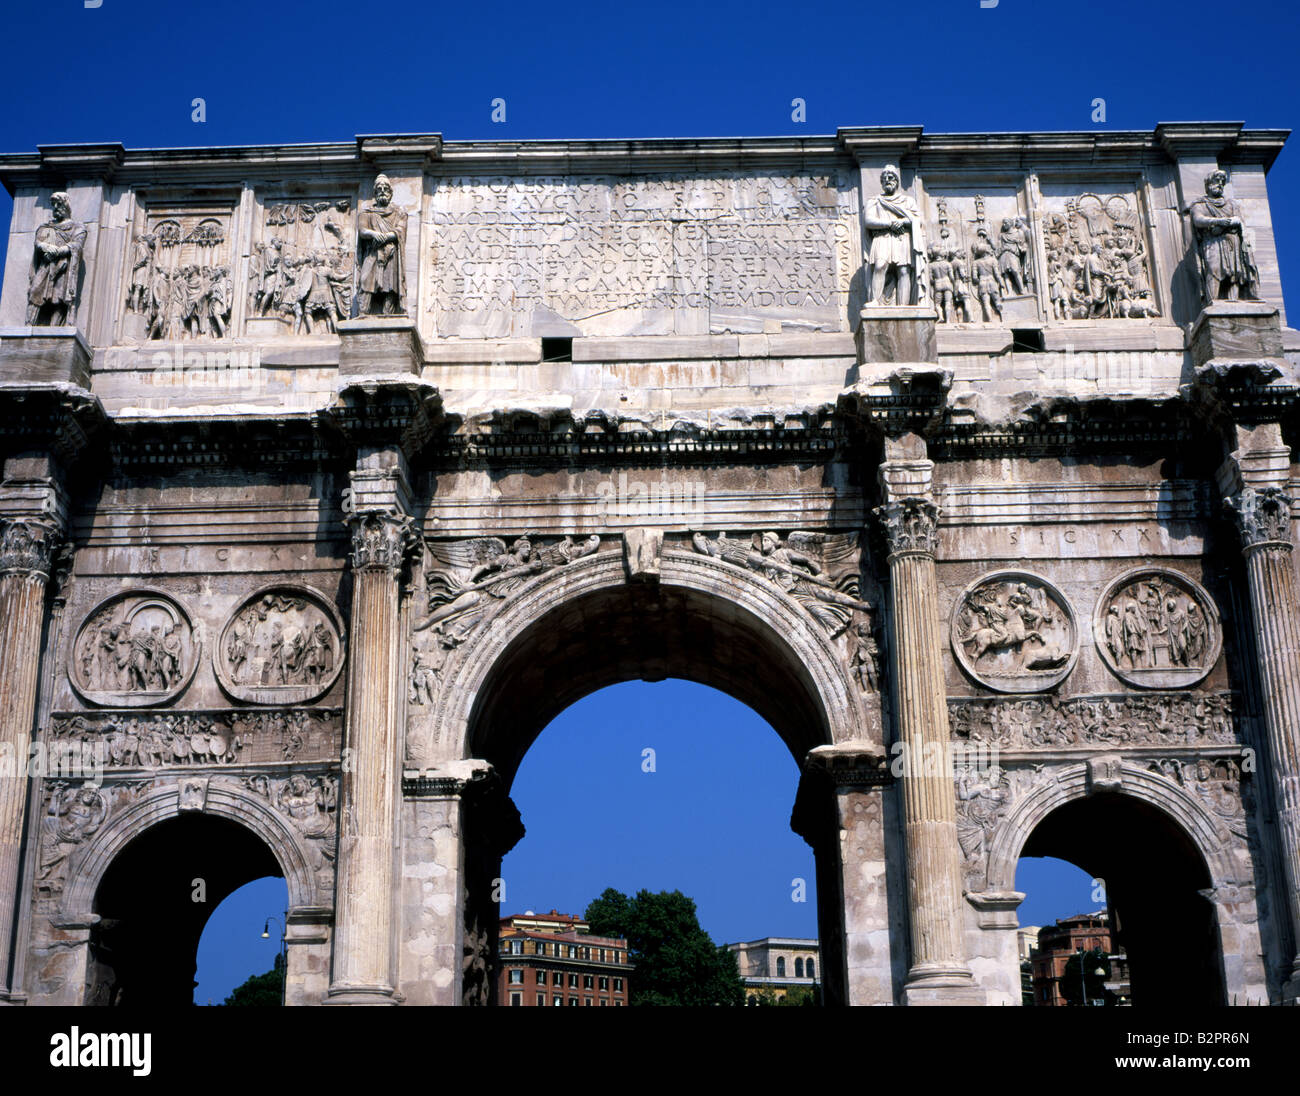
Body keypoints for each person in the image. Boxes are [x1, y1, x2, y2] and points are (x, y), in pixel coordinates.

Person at [1188, 169, 1260, 303]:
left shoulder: (1232, 204)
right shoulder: (1200, 204)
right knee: (1214, 269)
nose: (1220, 184)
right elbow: (1198, 220)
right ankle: (1213, 302)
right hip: (1213, 241)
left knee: (1236, 271)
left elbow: (1241, 222)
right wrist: (1218, 221)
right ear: (1208, 185)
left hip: (1233, 240)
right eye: (1216, 181)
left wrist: (1237, 224)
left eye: (1222, 182)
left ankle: (1235, 302)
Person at [862, 165, 925, 306]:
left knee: (903, 271)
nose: (887, 180)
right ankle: (875, 301)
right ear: (881, 183)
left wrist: (902, 221)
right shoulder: (874, 201)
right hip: (882, 238)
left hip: (902, 238)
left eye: (890, 178)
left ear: (896, 181)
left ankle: (904, 306)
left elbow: (917, 219)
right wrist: (890, 223)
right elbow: (869, 221)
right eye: (884, 179)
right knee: (880, 266)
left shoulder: (908, 201)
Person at [27, 192, 86, 325]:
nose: (55, 207)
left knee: (59, 296)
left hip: (63, 266)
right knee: (35, 291)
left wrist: (60, 251)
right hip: (46, 265)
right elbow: (38, 241)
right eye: (53, 204)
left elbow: (77, 243)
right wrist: (45, 246)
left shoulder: (77, 227)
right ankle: (29, 324)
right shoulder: (46, 227)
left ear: (66, 205)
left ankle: (55, 329)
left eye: (59, 204)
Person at [357, 174, 406, 314]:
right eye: (380, 188)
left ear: (390, 193)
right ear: (375, 193)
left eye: (386, 188)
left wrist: (386, 236)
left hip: (391, 252)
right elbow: (362, 230)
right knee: (366, 279)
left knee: (390, 283)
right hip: (373, 252)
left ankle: (388, 314)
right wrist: (373, 234)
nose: (383, 191)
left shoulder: (399, 212)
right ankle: (363, 312)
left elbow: (401, 230)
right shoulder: (367, 213)